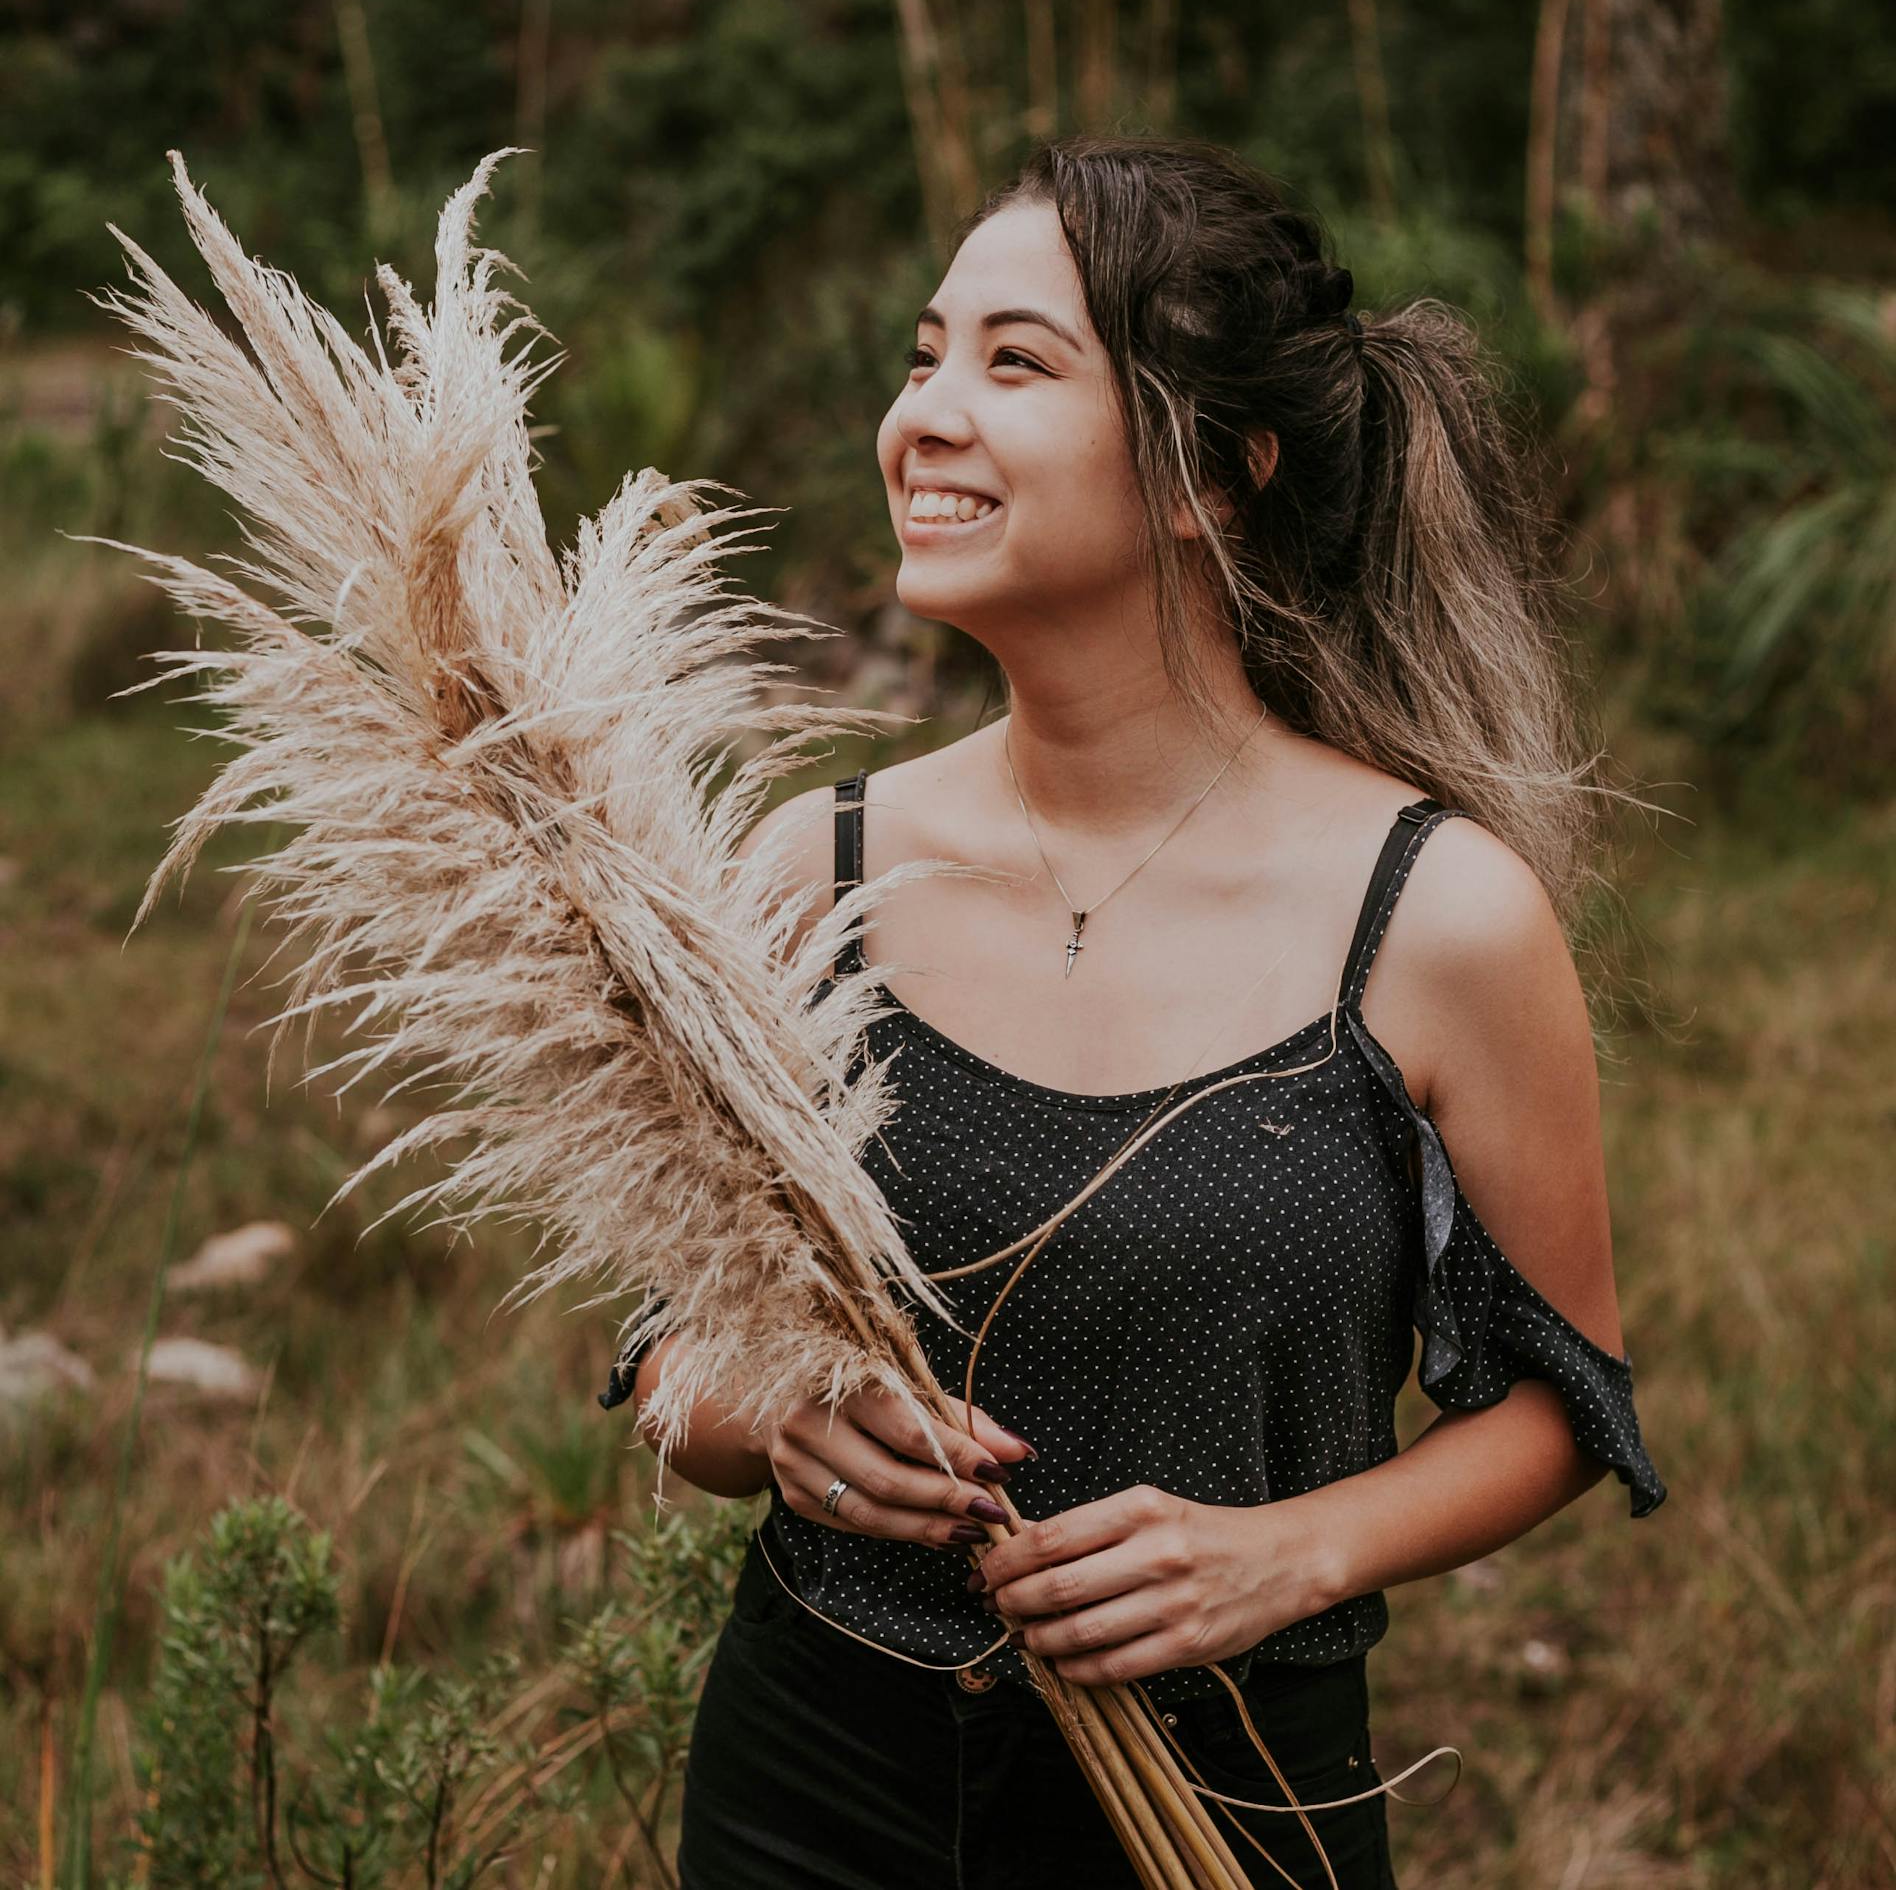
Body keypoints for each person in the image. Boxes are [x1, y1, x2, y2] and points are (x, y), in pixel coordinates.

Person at [599, 135, 1668, 1888]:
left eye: (1017, 362)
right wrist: (768, 1417)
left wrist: (1290, 1554)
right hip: (815, 1778)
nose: (927, 412)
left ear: (1213, 476)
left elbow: (1567, 1398)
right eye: (924, 351)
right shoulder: (813, 868)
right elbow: (664, 1348)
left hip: (1233, 1794)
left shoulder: (1438, 915)